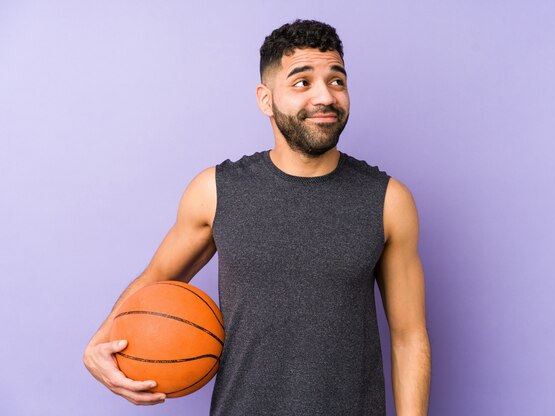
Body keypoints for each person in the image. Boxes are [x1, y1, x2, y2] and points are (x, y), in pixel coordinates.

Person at [83, 19, 431, 415]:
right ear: (265, 99)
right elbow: (154, 280)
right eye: (302, 83)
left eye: (337, 81)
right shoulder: (214, 191)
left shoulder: (388, 201)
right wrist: (100, 341)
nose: (326, 96)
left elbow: (409, 336)